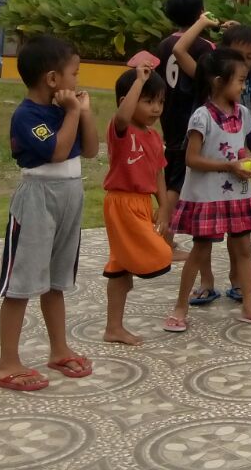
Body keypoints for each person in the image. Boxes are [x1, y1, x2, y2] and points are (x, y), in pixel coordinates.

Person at [0, 35, 98, 391]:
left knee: (56, 279)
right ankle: (7, 363)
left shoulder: (63, 111)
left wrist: (84, 112)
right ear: (52, 79)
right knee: (21, 282)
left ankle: (59, 348)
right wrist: (70, 113)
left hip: (70, 195)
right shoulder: (27, 115)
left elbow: (93, 149)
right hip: (38, 198)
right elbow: (56, 151)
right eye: (74, 74)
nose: (77, 82)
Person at [163, 49, 251, 332]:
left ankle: (249, 306)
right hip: (208, 196)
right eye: (239, 80)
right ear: (217, 82)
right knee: (200, 250)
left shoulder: (243, 114)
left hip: (237, 194)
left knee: (244, 249)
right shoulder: (202, 117)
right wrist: (230, 166)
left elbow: (242, 149)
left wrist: (249, 163)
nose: (244, 86)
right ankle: (180, 307)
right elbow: (192, 159)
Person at [102, 64, 172, 345]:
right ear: (128, 101)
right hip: (121, 203)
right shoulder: (120, 129)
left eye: (160, 102)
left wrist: (164, 207)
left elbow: (159, 173)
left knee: (121, 271)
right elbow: (122, 114)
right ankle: (184, 257)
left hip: (142, 203)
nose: (156, 109)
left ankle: (113, 328)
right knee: (160, 254)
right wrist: (139, 80)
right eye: (148, 101)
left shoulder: (154, 137)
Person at [157, 0, 215, 298]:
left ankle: (165, 235)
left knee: (173, 175)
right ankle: (165, 237)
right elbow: (206, 82)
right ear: (200, 12)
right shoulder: (204, 45)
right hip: (192, 118)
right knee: (180, 182)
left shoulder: (165, 44)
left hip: (169, 116)